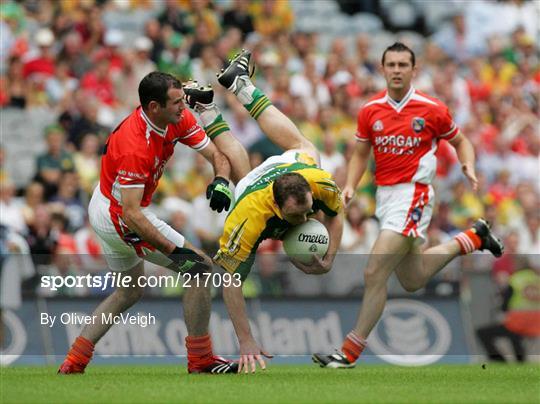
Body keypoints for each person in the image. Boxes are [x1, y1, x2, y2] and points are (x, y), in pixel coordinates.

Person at [312, 42, 504, 369]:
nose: (397, 70)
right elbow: (360, 153)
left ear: (414, 70)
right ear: (383, 69)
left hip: (415, 194)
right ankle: (472, 238)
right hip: (386, 199)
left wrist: (467, 164)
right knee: (412, 280)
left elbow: (461, 141)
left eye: (403, 64)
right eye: (392, 64)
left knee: (375, 270)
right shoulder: (370, 110)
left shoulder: (431, 108)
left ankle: (348, 352)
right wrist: (350, 185)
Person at [58, 72, 239, 374]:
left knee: (129, 291)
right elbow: (131, 214)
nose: (185, 107)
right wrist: (176, 253)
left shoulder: (175, 117)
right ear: (154, 107)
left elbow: (217, 155)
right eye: (178, 102)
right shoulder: (134, 145)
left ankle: (74, 361)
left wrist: (221, 179)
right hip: (120, 215)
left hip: (108, 203)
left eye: (184, 100)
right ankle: (201, 360)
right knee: (199, 269)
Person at [183, 50, 344, 374]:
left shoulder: (318, 183)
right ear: (278, 206)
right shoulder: (249, 218)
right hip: (250, 191)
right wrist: (246, 341)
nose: (305, 220)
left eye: (307, 213)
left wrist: (330, 259)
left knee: (307, 148)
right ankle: (233, 91)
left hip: (286, 165)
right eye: (296, 216)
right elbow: (229, 280)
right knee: (243, 171)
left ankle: (210, 103)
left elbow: (336, 215)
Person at [476, 267, 540, 363]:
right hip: (536, 325)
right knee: (515, 334)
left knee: (482, 332)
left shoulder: (515, 279)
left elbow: (505, 303)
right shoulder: (537, 279)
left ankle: (500, 361)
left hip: (518, 323)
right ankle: (520, 361)